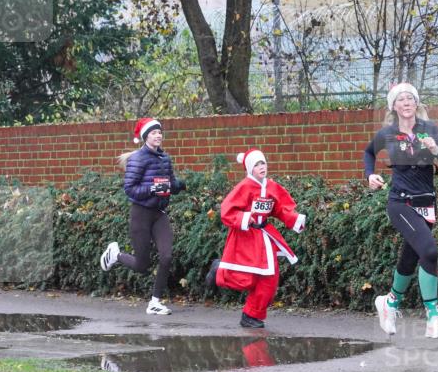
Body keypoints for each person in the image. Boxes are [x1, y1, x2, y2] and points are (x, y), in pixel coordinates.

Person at [363, 82, 438, 339]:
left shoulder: (430, 129)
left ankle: (390, 303)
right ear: (393, 106)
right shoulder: (388, 133)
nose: (406, 103)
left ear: (417, 104)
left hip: (426, 203)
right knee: (429, 250)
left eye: (410, 99)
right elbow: (369, 152)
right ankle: (433, 318)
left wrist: (436, 149)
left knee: (410, 257)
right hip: (400, 202)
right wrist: (370, 175)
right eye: (401, 99)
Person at [205, 149, 306, 328]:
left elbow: (280, 209)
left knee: (270, 277)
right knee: (247, 277)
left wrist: (295, 219)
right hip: (245, 236)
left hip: (264, 236)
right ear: (250, 169)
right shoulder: (244, 187)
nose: (261, 167)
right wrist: (244, 218)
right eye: (257, 164)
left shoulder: (272, 186)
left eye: (263, 163)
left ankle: (251, 315)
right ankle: (219, 270)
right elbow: (227, 211)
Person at [99, 117, 185, 315]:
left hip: (159, 214)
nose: (158, 136)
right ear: (146, 136)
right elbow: (130, 189)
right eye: (154, 133)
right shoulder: (138, 159)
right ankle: (116, 255)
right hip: (141, 214)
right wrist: (154, 188)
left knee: (166, 256)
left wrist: (178, 186)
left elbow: (169, 183)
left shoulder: (165, 158)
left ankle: (155, 302)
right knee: (142, 265)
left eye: (160, 132)